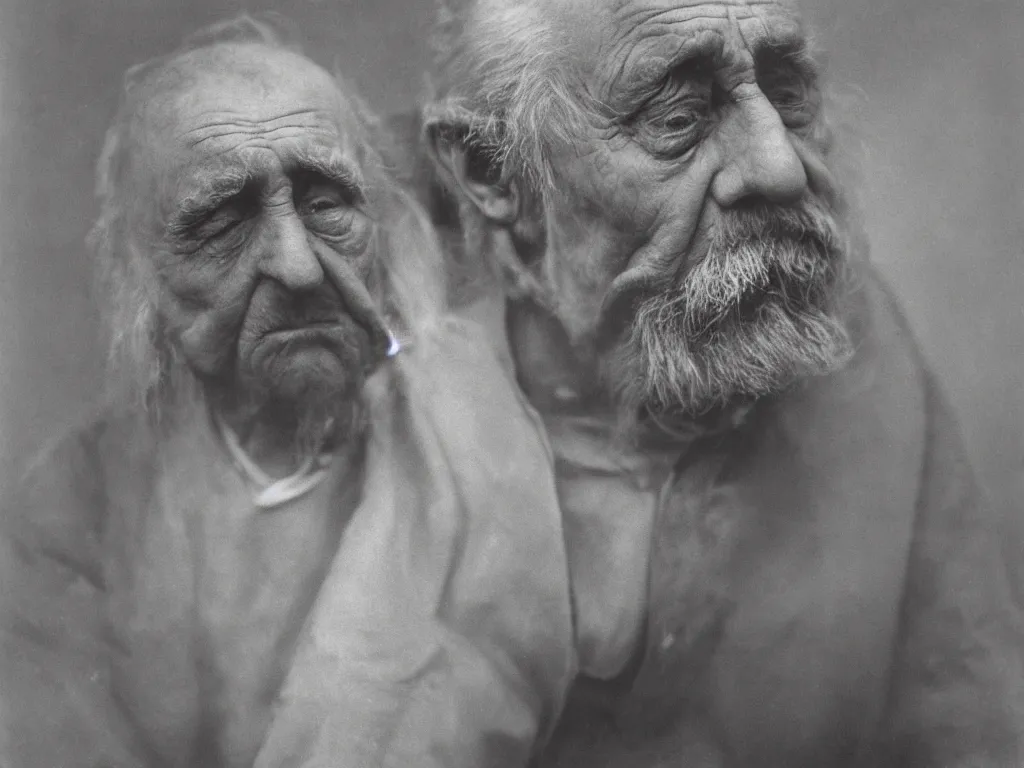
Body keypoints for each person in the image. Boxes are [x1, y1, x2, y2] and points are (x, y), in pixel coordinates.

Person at [413, 0, 1024, 764]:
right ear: (490, 171)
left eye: (787, 92)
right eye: (677, 116)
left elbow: (972, 722)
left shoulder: (856, 343)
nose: (779, 165)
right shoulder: (398, 416)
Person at [0, 16, 574, 768]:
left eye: (326, 200)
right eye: (222, 222)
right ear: (136, 276)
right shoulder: (68, 512)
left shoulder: (489, 427)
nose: (299, 268)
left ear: (386, 221)